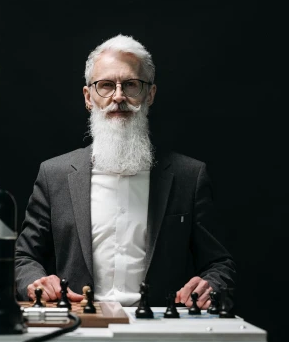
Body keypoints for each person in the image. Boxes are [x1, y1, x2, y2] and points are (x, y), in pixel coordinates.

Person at [14, 35, 236, 309]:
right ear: (88, 97)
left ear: (150, 94)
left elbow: (219, 264)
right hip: (79, 328)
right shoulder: (53, 175)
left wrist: (212, 284)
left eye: (131, 85)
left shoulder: (189, 176)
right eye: (105, 85)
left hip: (159, 333)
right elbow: (23, 258)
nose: (118, 97)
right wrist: (35, 282)